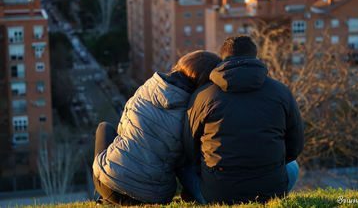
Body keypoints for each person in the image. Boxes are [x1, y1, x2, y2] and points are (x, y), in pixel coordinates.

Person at [183, 36, 304, 204]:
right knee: (293, 166)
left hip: (219, 194)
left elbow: (190, 148)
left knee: (184, 168)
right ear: (255, 57)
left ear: (223, 58)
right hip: (270, 192)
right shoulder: (281, 92)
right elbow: (295, 145)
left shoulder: (202, 96)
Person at [92, 50, 221, 206]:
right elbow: (185, 160)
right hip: (153, 197)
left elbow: (122, 128)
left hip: (108, 185)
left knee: (104, 127)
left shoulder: (147, 88)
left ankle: (106, 198)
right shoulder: (193, 111)